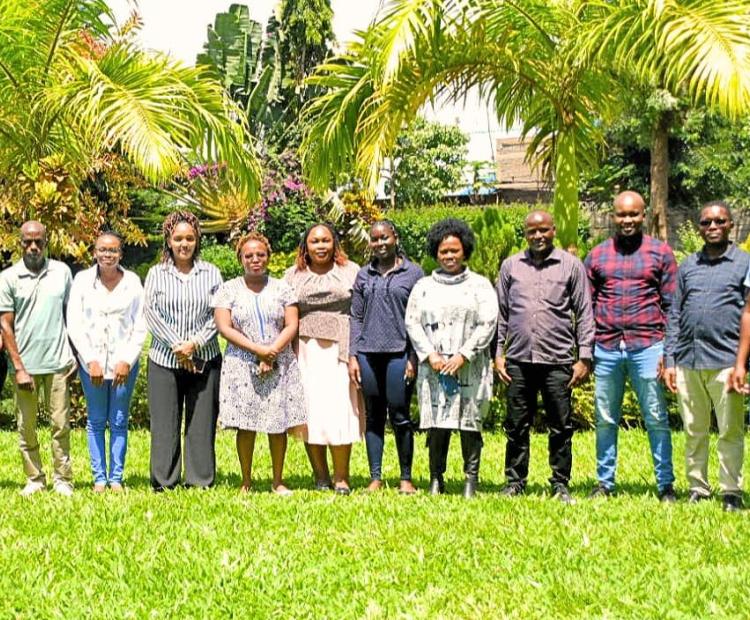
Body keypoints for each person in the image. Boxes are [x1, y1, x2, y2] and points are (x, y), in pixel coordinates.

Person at [495, 211, 594, 503]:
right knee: (515, 424)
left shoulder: (571, 266)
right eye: (532, 231)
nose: (538, 236)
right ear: (524, 234)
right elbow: (502, 314)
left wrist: (584, 357)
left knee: (561, 425)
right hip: (518, 360)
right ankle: (515, 481)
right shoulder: (511, 266)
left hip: (558, 360)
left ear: (554, 230)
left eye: (544, 230)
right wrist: (498, 354)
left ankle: (560, 483)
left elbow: (585, 313)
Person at [585, 190, 677, 502]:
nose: (627, 220)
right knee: (605, 418)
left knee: (655, 417)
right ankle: (604, 483)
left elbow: (672, 306)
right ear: (613, 216)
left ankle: (665, 485)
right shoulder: (597, 255)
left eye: (633, 214)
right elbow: (588, 304)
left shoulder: (660, 253)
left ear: (644, 215)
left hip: (648, 346)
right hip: (607, 347)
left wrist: (668, 350)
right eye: (621, 215)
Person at [663, 202, 748, 512]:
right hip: (688, 360)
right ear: (699, 227)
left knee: (730, 431)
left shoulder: (744, 264)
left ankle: (731, 491)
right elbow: (674, 313)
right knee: (694, 429)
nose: (713, 226)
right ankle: (698, 487)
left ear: (730, 224)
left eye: (719, 221)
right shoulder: (688, 266)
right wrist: (670, 360)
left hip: (726, 361)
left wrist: (741, 364)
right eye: (706, 222)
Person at [405, 218, 498, 498]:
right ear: (436, 252)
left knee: (470, 424)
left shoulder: (480, 286)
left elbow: (488, 322)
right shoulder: (423, 286)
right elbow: (412, 323)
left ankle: (471, 480)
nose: (449, 256)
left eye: (454, 251)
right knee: (438, 425)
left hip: (470, 366)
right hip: (434, 367)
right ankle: (436, 478)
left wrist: (464, 355)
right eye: (444, 251)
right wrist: (430, 355)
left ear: (465, 251)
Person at [212, 232, 306, 495]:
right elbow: (224, 327)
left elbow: (292, 324)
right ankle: (246, 481)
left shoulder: (283, 288)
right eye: (249, 255)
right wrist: (258, 351)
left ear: (268, 257)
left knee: (277, 423)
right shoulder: (228, 289)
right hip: (241, 362)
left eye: (260, 255)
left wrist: (272, 352)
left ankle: (278, 480)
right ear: (240, 258)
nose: (255, 259)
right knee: (246, 423)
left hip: (279, 360)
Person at [144, 211, 223, 491]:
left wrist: (195, 344)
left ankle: (199, 480)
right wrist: (178, 345)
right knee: (165, 423)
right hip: (165, 359)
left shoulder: (211, 272)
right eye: (178, 238)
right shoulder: (156, 273)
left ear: (197, 240)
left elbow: (219, 314)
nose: (184, 244)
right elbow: (150, 313)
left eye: (189, 238)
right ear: (168, 240)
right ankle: (165, 480)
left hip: (205, 358)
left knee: (201, 422)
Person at [284, 223, 362, 495]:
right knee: (312, 413)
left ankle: (342, 476)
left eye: (325, 241)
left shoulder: (351, 271)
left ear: (334, 244)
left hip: (340, 350)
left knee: (340, 411)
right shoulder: (292, 275)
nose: (320, 246)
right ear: (305, 246)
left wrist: (357, 353)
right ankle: (320, 475)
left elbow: (361, 312)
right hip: (304, 350)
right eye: (314, 241)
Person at [67, 231, 147, 493]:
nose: (108, 255)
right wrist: (90, 360)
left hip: (125, 363)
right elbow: (75, 324)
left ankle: (116, 478)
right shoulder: (82, 281)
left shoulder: (133, 282)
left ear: (120, 254)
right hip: (93, 365)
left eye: (113, 251)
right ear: (95, 252)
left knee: (120, 420)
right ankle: (99, 478)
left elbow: (140, 323)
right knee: (97, 421)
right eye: (103, 250)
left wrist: (127, 359)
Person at [0, 221, 76, 496]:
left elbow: (73, 316)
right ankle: (34, 479)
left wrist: (75, 354)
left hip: (58, 363)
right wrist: (19, 368)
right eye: (27, 242)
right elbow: (5, 326)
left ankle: (63, 479)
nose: (33, 247)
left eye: (39, 242)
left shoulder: (62, 273)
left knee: (60, 425)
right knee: (26, 427)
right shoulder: (8, 278)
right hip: (26, 367)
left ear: (47, 242)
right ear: (19, 243)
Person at [349, 220, 424, 494]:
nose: (380, 243)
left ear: (396, 237)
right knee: (374, 416)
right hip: (368, 354)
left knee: (400, 414)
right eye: (375, 238)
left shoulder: (413, 273)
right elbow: (355, 317)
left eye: (385, 237)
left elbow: (420, 318)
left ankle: (406, 478)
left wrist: (414, 358)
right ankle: (376, 477)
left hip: (399, 353)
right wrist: (353, 355)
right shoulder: (363, 275)